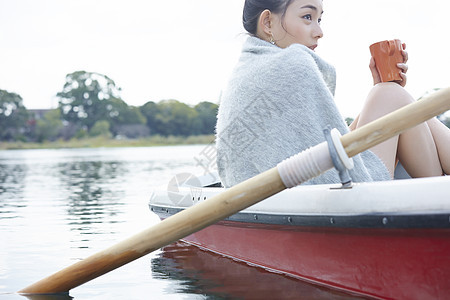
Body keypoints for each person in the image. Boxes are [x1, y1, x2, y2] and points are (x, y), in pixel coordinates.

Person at [215, 0, 450, 187]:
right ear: (267, 22)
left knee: (390, 97)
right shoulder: (291, 63)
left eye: (319, 19)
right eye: (307, 17)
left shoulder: (247, 71)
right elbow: (327, 163)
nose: (319, 31)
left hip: (283, 194)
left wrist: (380, 100)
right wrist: (385, 96)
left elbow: (320, 149)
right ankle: (437, 200)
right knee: (391, 95)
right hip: (318, 197)